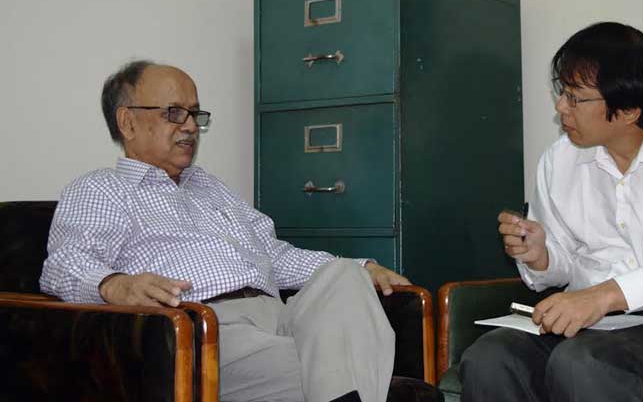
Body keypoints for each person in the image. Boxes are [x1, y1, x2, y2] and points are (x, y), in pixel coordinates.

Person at [40, 60, 411, 402]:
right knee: (346, 364)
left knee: (345, 275)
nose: (190, 126)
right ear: (128, 122)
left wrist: (364, 268)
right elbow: (63, 264)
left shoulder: (212, 188)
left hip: (280, 316)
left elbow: (276, 257)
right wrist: (115, 285)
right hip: (208, 331)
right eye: (174, 113)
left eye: (194, 113)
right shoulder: (101, 189)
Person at [459, 22, 643, 401]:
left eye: (575, 98)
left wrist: (605, 296)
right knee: (489, 358)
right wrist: (542, 256)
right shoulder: (558, 160)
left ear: (628, 110)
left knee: (581, 363)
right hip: (582, 314)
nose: (561, 107)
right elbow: (565, 264)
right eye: (562, 92)